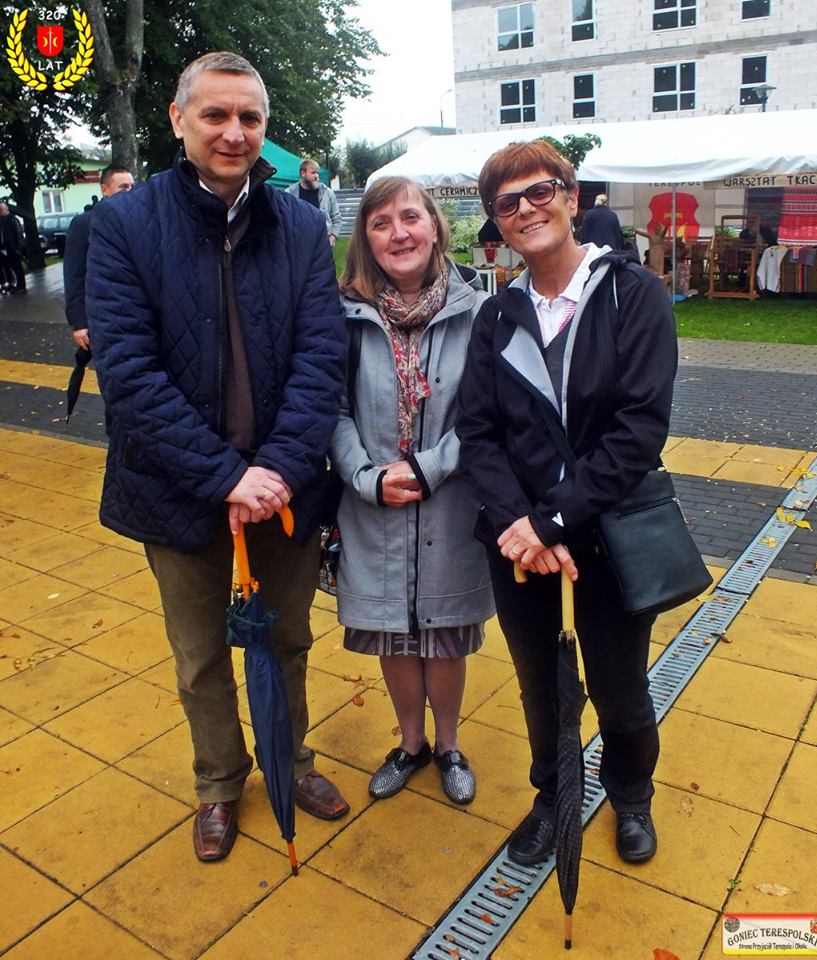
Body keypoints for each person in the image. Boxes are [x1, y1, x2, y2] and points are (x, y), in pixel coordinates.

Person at [86, 52, 349, 863]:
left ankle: (290, 761)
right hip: (175, 487)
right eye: (216, 114)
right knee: (201, 656)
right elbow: (128, 373)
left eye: (250, 118)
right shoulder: (125, 225)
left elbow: (321, 360)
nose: (234, 132)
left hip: (282, 488)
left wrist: (273, 472)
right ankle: (219, 783)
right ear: (178, 120)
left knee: (289, 641)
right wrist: (225, 475)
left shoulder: (298, 226)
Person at [456, 140, 677, 867]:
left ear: (571, 197)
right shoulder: (496, 316)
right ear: (497, 222)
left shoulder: (632, 295)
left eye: (540, 191)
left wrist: (551, 520)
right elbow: (478, 432)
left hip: (605, 536)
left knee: (619, 688)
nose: (526, 208)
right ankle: (553, 796)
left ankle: (631, 794)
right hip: (520, 544)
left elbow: (637, 431)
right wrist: (518, 525)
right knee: (541, 689)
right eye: (507, 202)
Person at [331, 176, 494, 805]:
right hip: (372, 503)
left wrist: (430, 468)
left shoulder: (478, 311)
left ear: (434, 225)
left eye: (410, 217)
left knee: (444, 633)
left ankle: (449, 745)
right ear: (366, 239)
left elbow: (486, 410)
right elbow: (330, 408)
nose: (398, 233)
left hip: (450, 502)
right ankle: (411, 743)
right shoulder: (344, 316)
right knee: (393, 634)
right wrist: (365, 476)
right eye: (381, 223)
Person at [64, 165, 135, 350]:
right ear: (105, 190)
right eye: (123, 187)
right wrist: (79, 322)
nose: (129, 192)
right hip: (103, 316)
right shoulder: (84, 224)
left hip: (136, 314)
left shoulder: (139, 220)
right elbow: (74, 274)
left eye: (132, 186)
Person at [285, 158, 341, 246]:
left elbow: (336, 218)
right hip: (298, 246)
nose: (317, 176)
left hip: (322, 245)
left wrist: (332, 238)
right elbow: (284, 220)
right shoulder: (289, 193)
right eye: (313, 172)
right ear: (303, 173)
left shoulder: (327, 193)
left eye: (317, 173)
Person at [0, 202, 27, 294]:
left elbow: (19, 235)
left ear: (5, 210)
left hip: (13, 248)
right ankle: (12, 284)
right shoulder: (2, 220)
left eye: (1, 210)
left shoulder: (13, 220)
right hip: (5, 248)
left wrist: (19, 249)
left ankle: (21, 286)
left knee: (17, 268)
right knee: (9, 267)